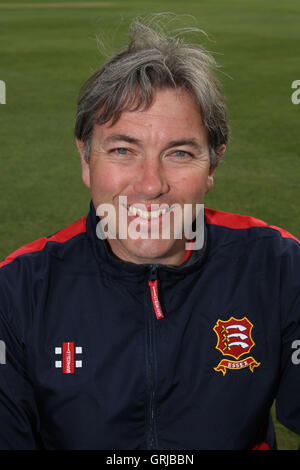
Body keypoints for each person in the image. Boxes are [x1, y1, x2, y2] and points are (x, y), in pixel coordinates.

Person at [0, 16, 299, 451]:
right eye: (123, 150)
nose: (150, 184)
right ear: (86, 161)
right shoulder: (18, 289)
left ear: (212, 166)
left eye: (179, 153)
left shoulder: (278, 267)